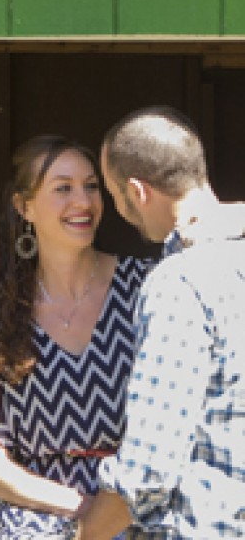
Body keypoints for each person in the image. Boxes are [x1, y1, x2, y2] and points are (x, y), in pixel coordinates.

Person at [0, 134, 151, 539]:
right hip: (41, 518)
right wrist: (85, 511)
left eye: (91, 186)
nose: (83, 201)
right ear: (24, 207)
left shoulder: (147, 289)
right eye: (63, 188)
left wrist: (114, 512)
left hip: (141, 507)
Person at [76, 105, 245, 540]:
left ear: (137, 191)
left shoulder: (180, 281)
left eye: (112, 193)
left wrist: (86, 535)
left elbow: (149, 468)